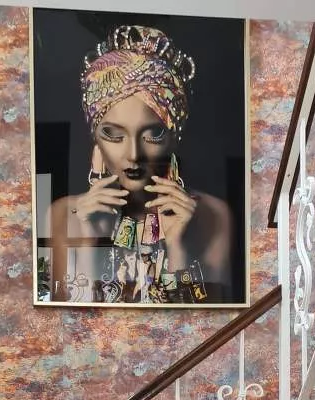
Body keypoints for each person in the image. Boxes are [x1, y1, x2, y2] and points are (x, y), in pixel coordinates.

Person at [44, 25, 235, 304]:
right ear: (95, 140)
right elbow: (70, 325)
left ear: (173, 138)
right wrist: (88, 242)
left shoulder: (214, 216)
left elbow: (208, 323)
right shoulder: (63, 215)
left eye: (153, 134)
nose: (134, 154)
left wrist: (177, 248)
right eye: (113, 134)